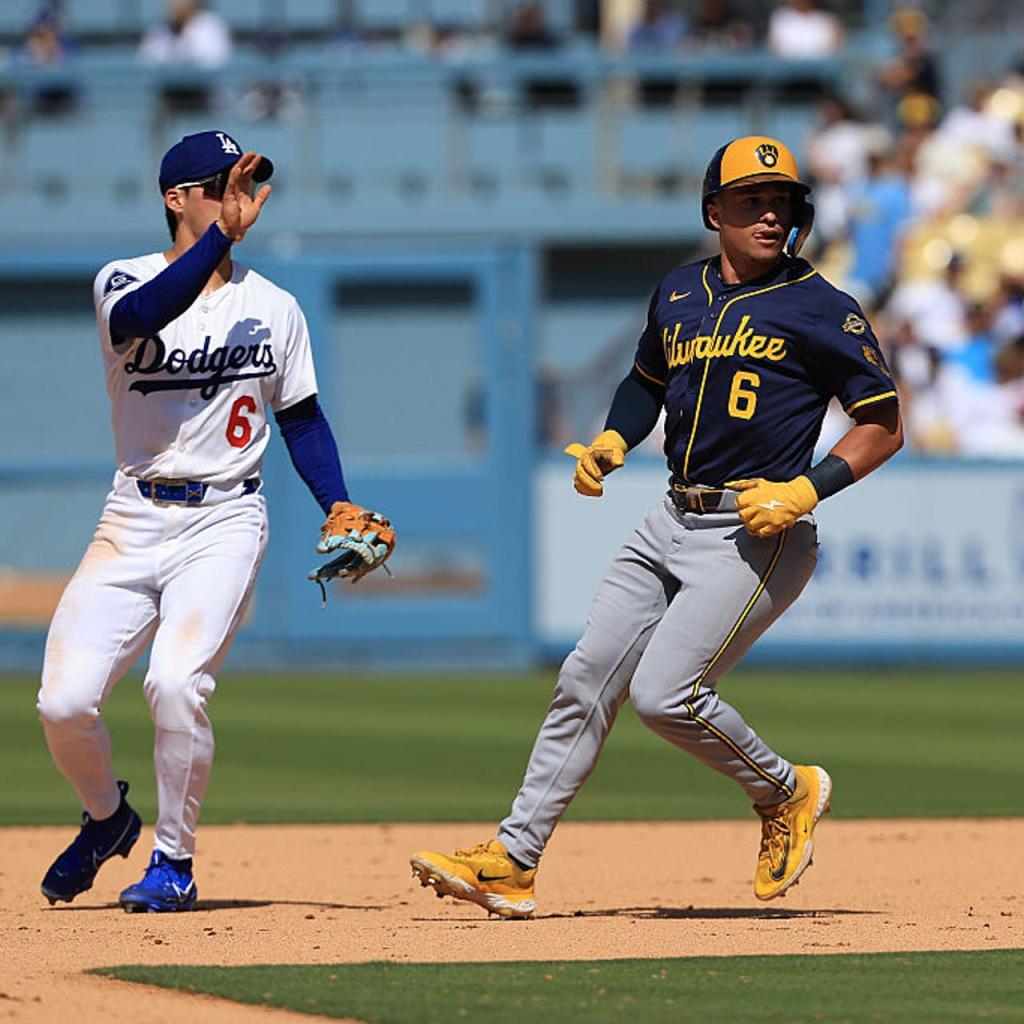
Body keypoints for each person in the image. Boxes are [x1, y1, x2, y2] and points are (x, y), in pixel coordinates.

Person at [410, 136, 903, 919]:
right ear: (715, 211)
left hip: (756, 528)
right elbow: (645, 382)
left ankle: (786, 790)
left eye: (782, 201)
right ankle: (514, 858)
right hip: (670, 513)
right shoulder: (678, 291)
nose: (771, 213)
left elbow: (881, 423)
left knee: (666, 695)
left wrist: (808, 490)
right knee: (584, 678)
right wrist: (613, 437)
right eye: (751, 201)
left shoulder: (823, 308)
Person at [37, 130, 393, 913]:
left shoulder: (273, 306)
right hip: (131, 516)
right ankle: (107, 820)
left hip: (225, 521)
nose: (239, 197)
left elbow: (300, 418)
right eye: (220, 185)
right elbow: (145, 315)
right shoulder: (122, 279)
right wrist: (221, 241)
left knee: (175, 683)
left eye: (249, 182)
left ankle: (173, 860)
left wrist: (334, 497)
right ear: (176, 199)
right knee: (63, 706)